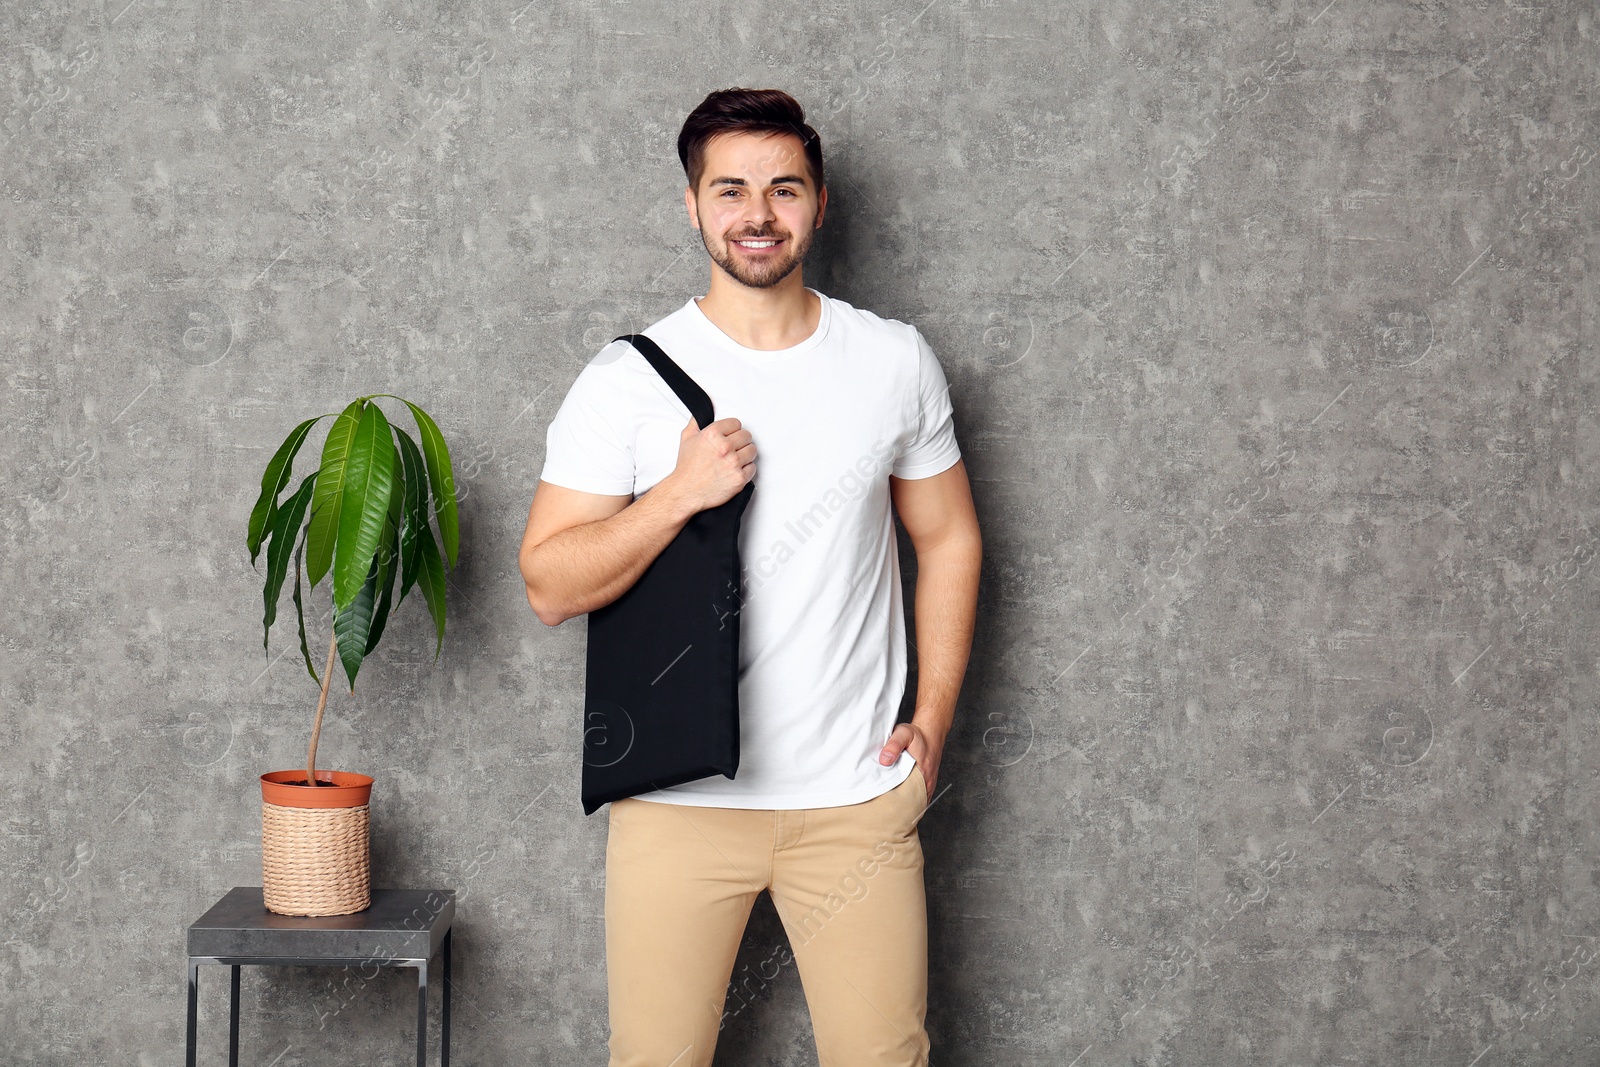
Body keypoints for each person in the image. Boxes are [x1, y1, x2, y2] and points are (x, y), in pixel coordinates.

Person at [518, 87, 982, 1067]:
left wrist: (931, 718)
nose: (757, 214)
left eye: (783, 188)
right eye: (729, 189)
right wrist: (678, 493)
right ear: (691, 205)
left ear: (818, 202)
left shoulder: (892, 361)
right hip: (678, 805)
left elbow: (948, 539)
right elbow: (550, 584)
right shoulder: (628, 379)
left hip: (854, 801)